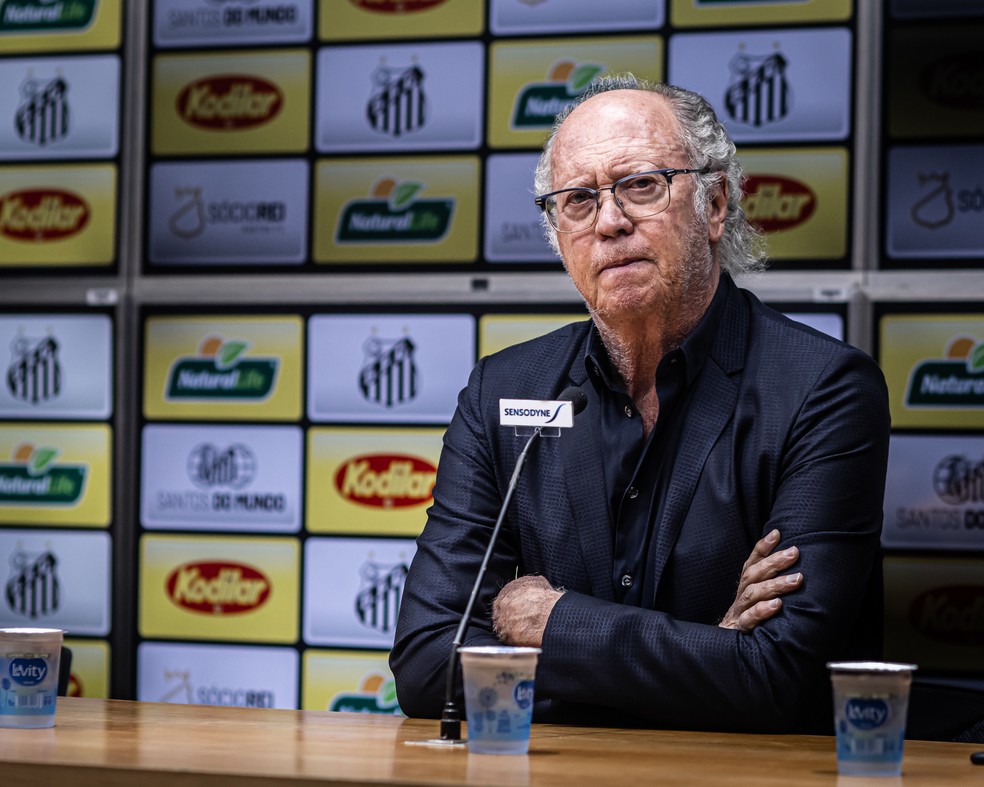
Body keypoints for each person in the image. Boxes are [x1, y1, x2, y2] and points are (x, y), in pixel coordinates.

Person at [389, 74, 890, 734]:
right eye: (577, 199)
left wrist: (554, 624)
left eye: (641, 185)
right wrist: (707, 656)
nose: (609, 220)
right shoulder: (503, 391)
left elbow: (779, 679)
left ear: (714, 204)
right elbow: (428, 667)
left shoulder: (824, 390)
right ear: (557, 233)